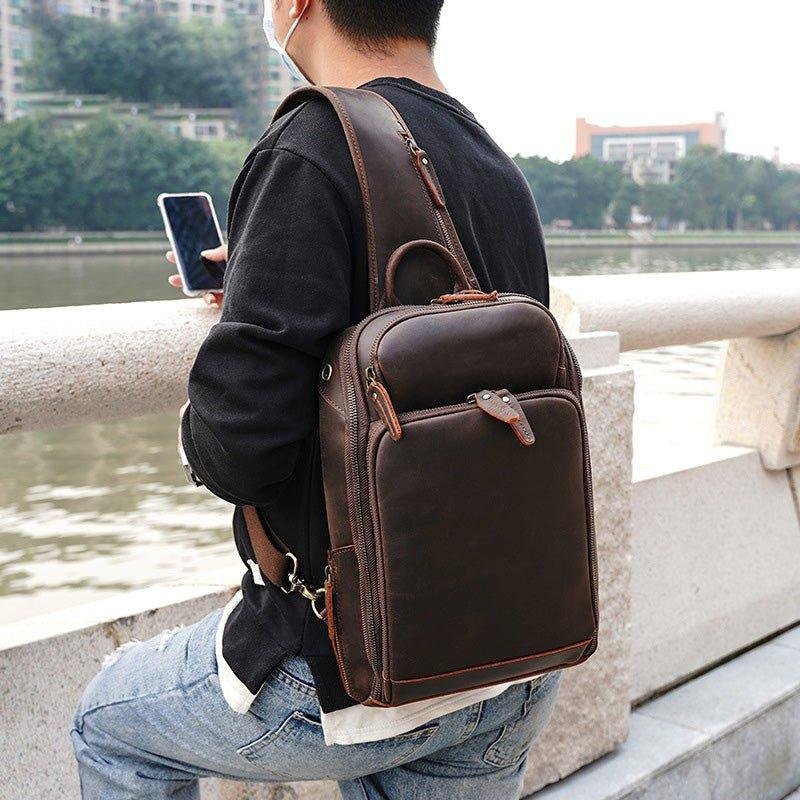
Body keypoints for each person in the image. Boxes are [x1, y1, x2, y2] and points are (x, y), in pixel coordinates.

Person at [71, 2, 558, 798]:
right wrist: (266, 275)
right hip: (513, 652)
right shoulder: (491, 159)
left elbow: (241, 451)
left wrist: (227, 366)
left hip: (350, 667)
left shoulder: (311, 144)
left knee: (108, 727)